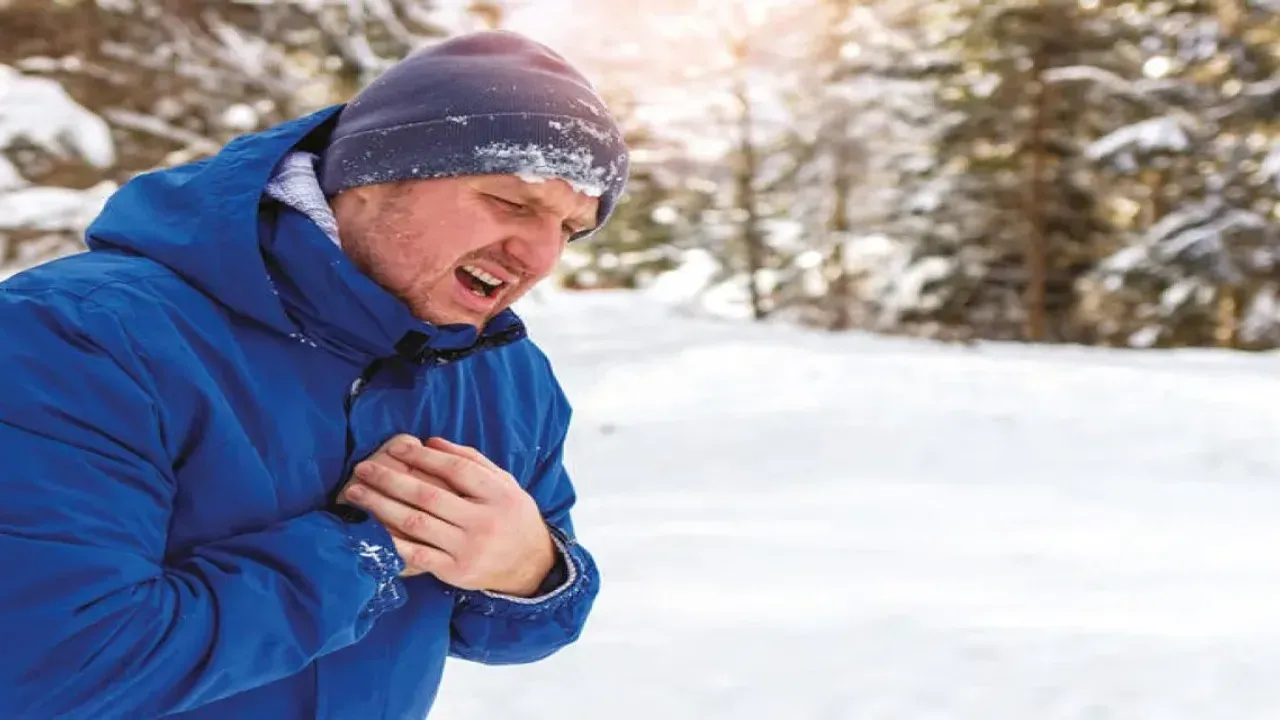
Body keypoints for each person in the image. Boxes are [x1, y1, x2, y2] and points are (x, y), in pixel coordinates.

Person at [0, 30, 627, 719]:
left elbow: (508, 629)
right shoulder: (79, 335)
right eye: (511, 202)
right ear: (374, 175)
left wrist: (529, 569)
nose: (540, 256)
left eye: (570, 229)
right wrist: (364, 554)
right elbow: (52, 666)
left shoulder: (502, 373)